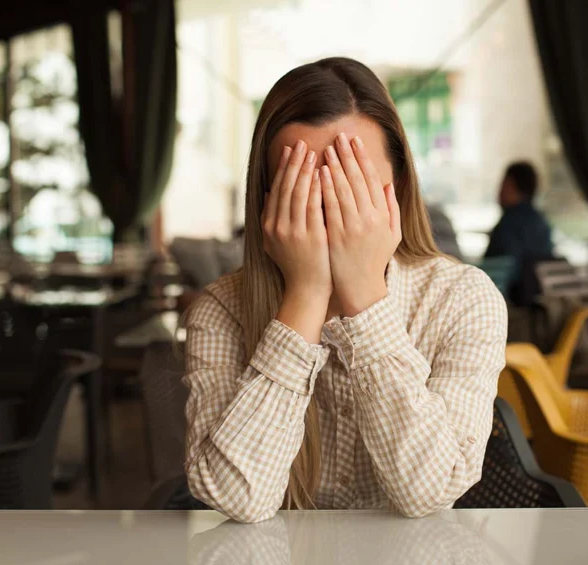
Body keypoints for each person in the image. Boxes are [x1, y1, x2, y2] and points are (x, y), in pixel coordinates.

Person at [183, 57, 507, 523]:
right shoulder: (220, 310)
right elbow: (237, 498)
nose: (331, 210)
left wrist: (364, 296)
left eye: (353, 185)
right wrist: (307, 293)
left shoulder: (461, 299)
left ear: (395, 186)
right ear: (267, 198)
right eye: (302, 190)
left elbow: (429, 492)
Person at [484, 162, 553, 267]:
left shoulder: (509, 223)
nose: (499, 192)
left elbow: (494, 267)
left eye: (503, 184)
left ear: (511, 186)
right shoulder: (541, 221)